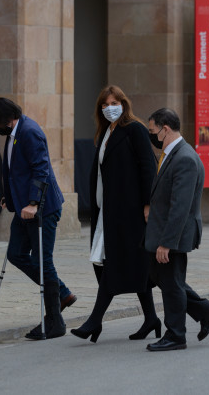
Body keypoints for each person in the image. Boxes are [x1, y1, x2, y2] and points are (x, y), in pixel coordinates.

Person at [71, 85, 160, 343]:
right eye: (105, 104)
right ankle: (151, 318)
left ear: (123, 103)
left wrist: (147, 204)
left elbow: (148, 167)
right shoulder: (106, 133)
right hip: (106, 211)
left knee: (112, 264)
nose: (110, 107)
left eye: (115, 102)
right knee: (113, 262)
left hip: (129, 211)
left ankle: (94, 321)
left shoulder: (134, 129)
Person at [0, 97, 76, 340]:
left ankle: (54, 320)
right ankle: (62, 293)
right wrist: (10, 198)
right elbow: (16, 171)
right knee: (15, 253)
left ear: (7, 120)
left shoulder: (29, 132)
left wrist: (34, 203)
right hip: (24, 207)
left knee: (42, 261)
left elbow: (40, 169)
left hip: (42, 208)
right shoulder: (14, 132)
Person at [144, 108, 209, 351]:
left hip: (174, 234)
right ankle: (206, 310)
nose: (151, 135)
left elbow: (181, 207)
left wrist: (167, 243)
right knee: (163, 279)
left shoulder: (185, 158)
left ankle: (176, 335)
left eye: (152, 131)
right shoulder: (172, 153)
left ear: (165, 129)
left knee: (172, 284)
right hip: (164, 231)